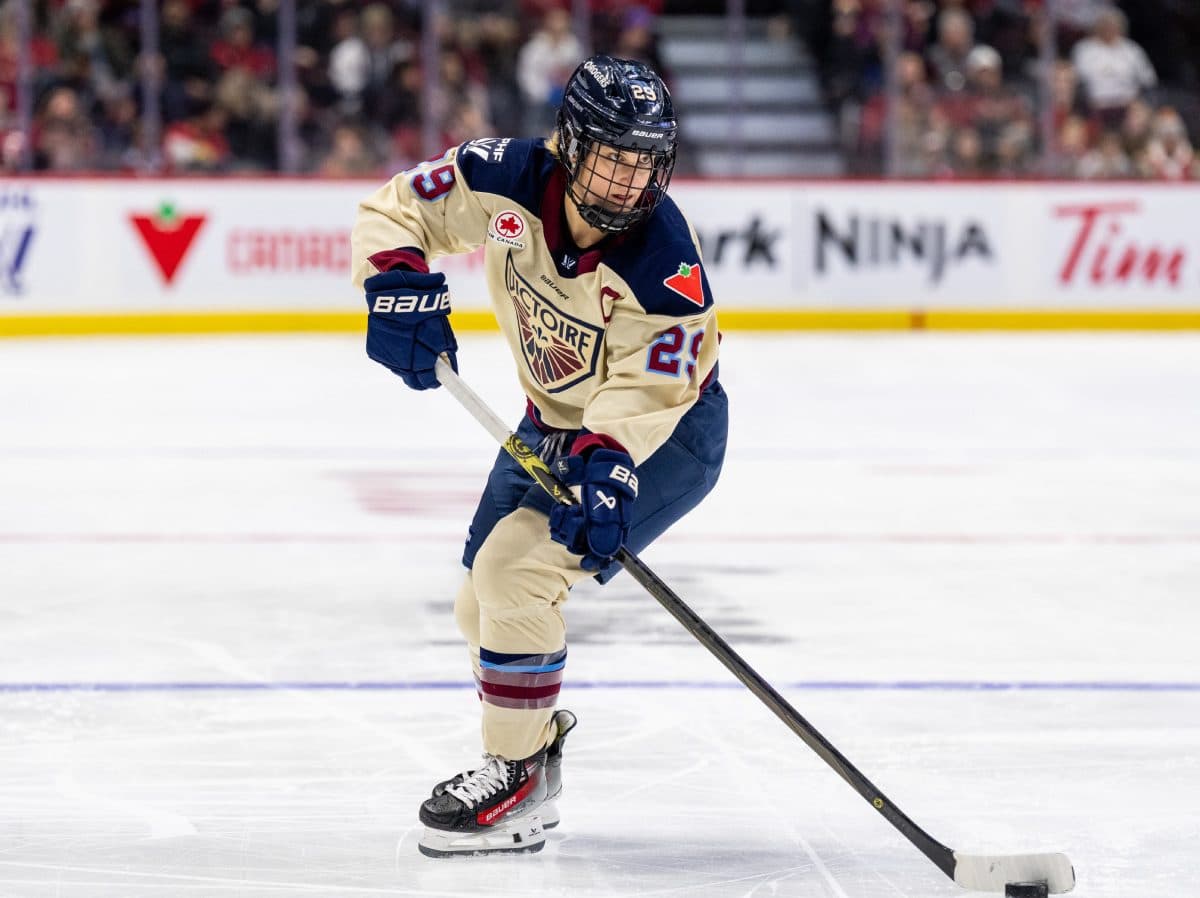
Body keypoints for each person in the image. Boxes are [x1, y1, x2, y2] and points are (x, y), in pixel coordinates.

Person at [351, 55, 727, 857]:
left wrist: (610, 465)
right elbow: (396, 212)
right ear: (570, 143)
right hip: (554, 417)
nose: (628, 186)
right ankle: (539, 752)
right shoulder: (505, 176)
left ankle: (514, 778)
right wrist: (394, 282)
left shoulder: (667, 266)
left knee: (517, 573)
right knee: (478, 608)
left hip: (667, 433)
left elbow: (656, 389)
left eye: (644, 165)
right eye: (612, 160)